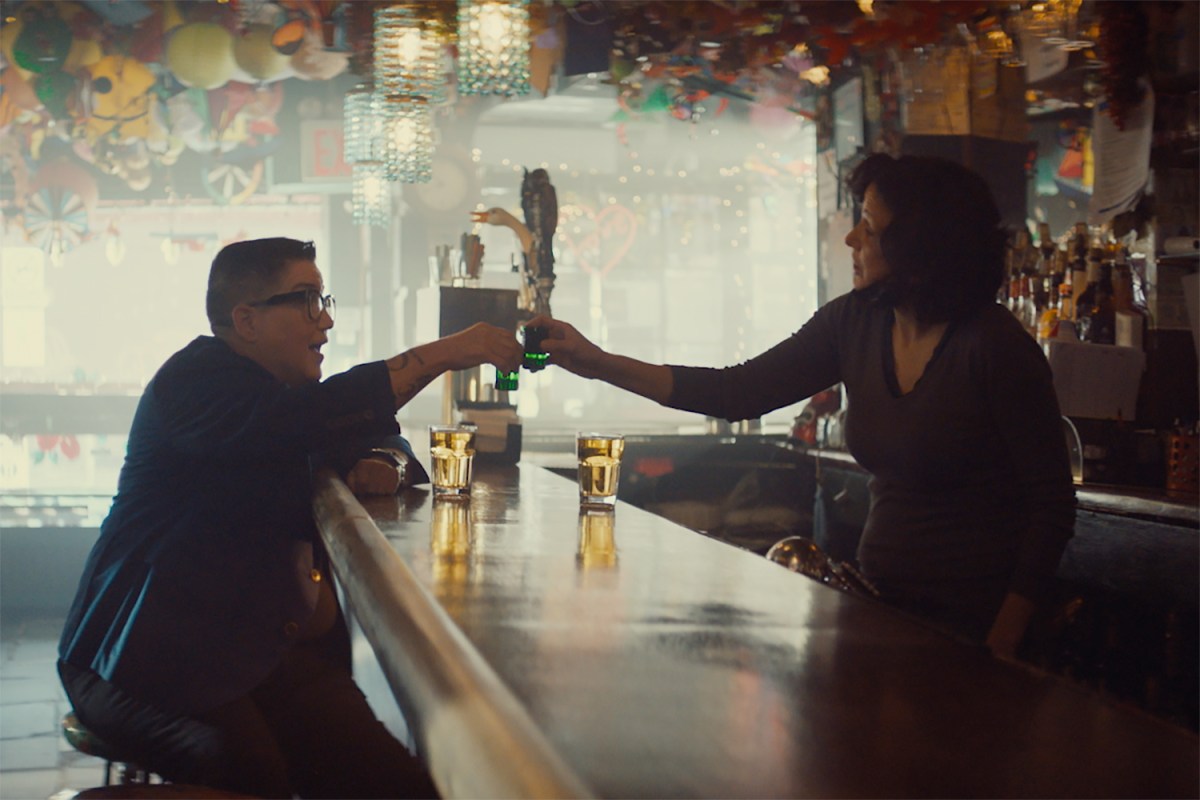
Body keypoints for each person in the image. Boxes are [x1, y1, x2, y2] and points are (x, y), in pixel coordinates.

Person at [528, 154, 1076, 658]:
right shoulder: (855, 322)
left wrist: (1002, 641)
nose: (851, 239)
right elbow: (740, 390)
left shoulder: (994, 347)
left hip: (975, 627)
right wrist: (595, 361)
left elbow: (1052, 507)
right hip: (883, 607)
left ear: (918, 247)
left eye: (869, 225)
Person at [58, 238, 523, 798]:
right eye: (306, 301)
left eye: (324, 300)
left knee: (393, 782)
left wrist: (384, 459)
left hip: (256, 652)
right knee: (252, 770)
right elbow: (307, 419)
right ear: (246, 320)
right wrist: (444, 352)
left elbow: (374, 430)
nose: (325, 321)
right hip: (140, 658)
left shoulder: (286, 394)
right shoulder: (194, 381)